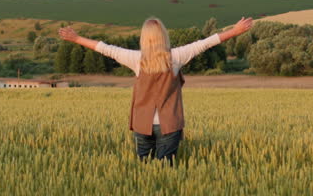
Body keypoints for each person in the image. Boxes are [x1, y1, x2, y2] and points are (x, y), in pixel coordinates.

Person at [58, 16, 253, 163]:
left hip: (142, 123)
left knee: (144, 170)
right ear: (164, 37)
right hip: (169, 124)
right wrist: (235, 32)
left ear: (144, 38)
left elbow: (105, 48)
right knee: (165, 171)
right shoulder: (176, 57)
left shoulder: (135, 59)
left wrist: (76, 39)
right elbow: (205, 44)